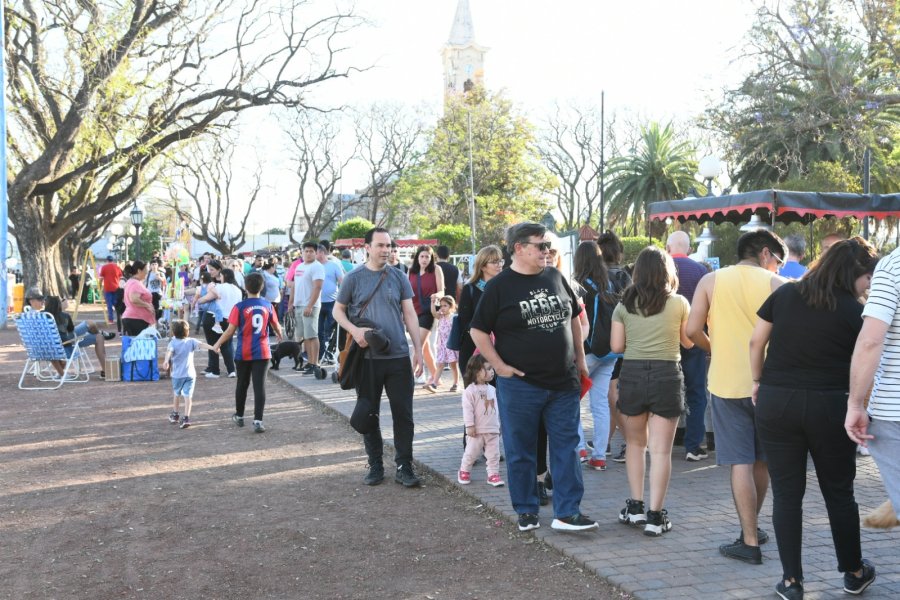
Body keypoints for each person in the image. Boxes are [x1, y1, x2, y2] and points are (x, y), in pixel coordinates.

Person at [751, 238, 879, 599]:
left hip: (777, 401)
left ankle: (792, 582)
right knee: (839, 492)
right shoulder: (857, 312)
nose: (869, 284)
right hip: (831, 404)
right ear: (853, 273)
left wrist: (758, 381)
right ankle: (854, 572)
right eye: (867, 276)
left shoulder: (786, 294)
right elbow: (866, 362)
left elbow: (755, 342)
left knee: (787, 494)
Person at [470, 221, 597, 533]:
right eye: (541, 246)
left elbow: (575, 320)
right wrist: (499, 366)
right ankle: (526, 511)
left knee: (566, 447)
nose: (547, 251)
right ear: (519, 248)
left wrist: (580, 360)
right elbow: (477, 330)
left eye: (548, 246)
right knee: (521, 449)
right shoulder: (499, 287)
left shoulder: (555, 276)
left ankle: (567, 513)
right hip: (521, 386)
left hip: (563, 382)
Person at [686, 229, 788, 564]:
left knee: (740, 461)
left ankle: (749, 540)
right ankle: (753, 529)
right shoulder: (778, 286)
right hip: (769, 384)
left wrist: (716, 348)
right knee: (761, 460)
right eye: (778, 260)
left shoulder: (711, 281)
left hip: (726, 383)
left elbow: (691, 330)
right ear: (764, 253)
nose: (779, 267)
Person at [332, 227, 424, 488]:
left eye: (388, 245)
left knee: (403, 415)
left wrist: (418, 350)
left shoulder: (398, 277)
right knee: (368, 412)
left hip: (397, 356)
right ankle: (375, 464)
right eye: (381, 245)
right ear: (367, 247)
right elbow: (338, 312)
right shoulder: (353, 278)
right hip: (366, 359)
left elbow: (410, 314)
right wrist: (355, 330)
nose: (386, 250)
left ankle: (405, 465)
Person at [610, 247, 692, 537]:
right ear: (667, 272)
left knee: (635, 445)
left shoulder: (623, 306)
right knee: (661, 451)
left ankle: (635, 508)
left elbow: (617, 347)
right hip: (667, 374)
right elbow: (688, 342)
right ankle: (656, 517)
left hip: (631, 374)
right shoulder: (680, 303)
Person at [213, 273, 283, 433]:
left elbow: (230, 330)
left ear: (245, 287)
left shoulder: (239, 307)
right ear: (262, 287)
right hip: (263, 352)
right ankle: (258, 420)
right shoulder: (267, 305)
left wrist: (217, 343)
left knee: (242, 384)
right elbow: (276, 325)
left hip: (243, 352)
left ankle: (239, 415)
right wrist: (279, 335)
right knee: (260, 386)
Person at [572, 241, 619, 471]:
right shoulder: (608, 283)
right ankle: (599, 456)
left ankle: (580, 447)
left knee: (571, 401)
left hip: (587, 352)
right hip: (610, 353)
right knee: (600, 405)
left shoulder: (579, 286)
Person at [665, 230, 711, 461]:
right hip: (694, 337)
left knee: (664, 391)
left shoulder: (660, 268)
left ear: (667, 247)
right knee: (696, 392)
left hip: (665, 339)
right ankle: (693, 445)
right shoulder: (701, 271)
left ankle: (658, 442)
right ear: (690, 249)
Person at [598, 230, 632, 463]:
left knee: (610, 396)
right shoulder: (624, 277)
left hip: (600, 342)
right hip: (622, 341)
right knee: (611, 395)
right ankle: (608, 441)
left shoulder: (594, 276)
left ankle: (628, 442)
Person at [458, 354, 504, 487]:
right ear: (477, 371)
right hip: (476, 430)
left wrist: (499, 425)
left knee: (494, 454)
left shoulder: (493, 389)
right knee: (471, 453)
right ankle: (464, 470)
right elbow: (468, 410)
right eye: (488, 369)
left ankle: (493, 474)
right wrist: (469, 426)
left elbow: (497, 409)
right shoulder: (470, 391)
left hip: (492, 429)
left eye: (492, 369)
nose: (492, 371)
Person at [43, 295, 116, 379]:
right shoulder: (64, 316)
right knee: (91, 324)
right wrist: (61, 312)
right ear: (58, 304)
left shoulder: (40, 316)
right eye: (61, 301)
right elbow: (71, 330)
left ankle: (100, 335)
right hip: (66, 343)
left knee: (99, 337)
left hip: (48, 346)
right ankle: (106, 370)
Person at [163, 319, 217, 429]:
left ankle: (175, 414)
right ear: (187, 331)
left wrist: (166, 361)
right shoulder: (191, 341)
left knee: (177, 394)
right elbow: (202, 345)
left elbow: (169, 352)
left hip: (177, 375)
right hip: (190, 375)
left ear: (173, 332)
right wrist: (213, 347)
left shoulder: (172, 342)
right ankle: (186, 417)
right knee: (188, 396)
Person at [195, 261, 238, 378]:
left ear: (223, 276)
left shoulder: (219, 287)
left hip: (214, 318)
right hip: (230, 319)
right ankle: (231, 370)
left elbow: (204, 299)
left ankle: (214, 370)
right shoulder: (237, 289)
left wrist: (199, 299)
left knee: (213, 343)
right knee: (227, 345)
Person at [409, 245, 445, 384]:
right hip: (413, 312)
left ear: (431, 258)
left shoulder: (436, 269)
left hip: (429, 311)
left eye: (427, 257)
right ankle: (436, 377)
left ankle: (410, 375)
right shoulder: (411, 272)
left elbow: (442, 291)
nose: (424, 259)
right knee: (424, 347)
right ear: (417, 257)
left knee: (417, 344)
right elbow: (406, 293)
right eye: (422, 256)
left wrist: (436, 295)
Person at [294, 242, 325, 375]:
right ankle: (309, 362)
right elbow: (295, 285)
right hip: (299, 304)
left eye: (311, 251)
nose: (308, 253)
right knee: (305, 336)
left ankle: (315, 363)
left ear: (316, 252)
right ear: (302, 252)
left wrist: (310, 305)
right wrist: (291, 303)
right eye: (306, 251)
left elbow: (317, 287)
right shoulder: (299, 266)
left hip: (310, 306)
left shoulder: (317, 267)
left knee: (312, 335)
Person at [426, 295, 459, 392]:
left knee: (453, 365)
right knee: (440, 364)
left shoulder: (453, 317)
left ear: (451, 306)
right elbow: (433, 313)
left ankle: (456, 383)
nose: (442, 308)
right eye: (441, 306)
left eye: (445, 306)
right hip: (442, 345)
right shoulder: (441, 316)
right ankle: (434, 384)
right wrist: (432, 302)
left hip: (451, 345)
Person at [317, 244, 343, 364]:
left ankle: (330, 352)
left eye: (316, 252)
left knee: (329, 329)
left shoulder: (333, 265)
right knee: (319, 331)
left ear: (322, 253)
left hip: (332, 302)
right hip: (317, 303)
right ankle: (322, 354)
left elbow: (342, 282)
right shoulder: (314, 266)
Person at [122, 260, 157, 336]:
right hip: (136, 319)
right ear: (139, 271)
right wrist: (148, 305)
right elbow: (134, 299)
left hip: (135, 318)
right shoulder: (135, 283)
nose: (146, 273)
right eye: (145, 271)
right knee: (140, 344)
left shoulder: (133, 282)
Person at [98, 255, 123, 324]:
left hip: (107, 288)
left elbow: (101, 278)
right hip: (116, 287)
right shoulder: (117, 267)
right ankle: (121, 317)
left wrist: (99, 286)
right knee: (116, 303)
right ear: (113, 260)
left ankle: (111, 320)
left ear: (107, 260)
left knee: (109, 304)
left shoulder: (104, 267)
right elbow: (121, 277)